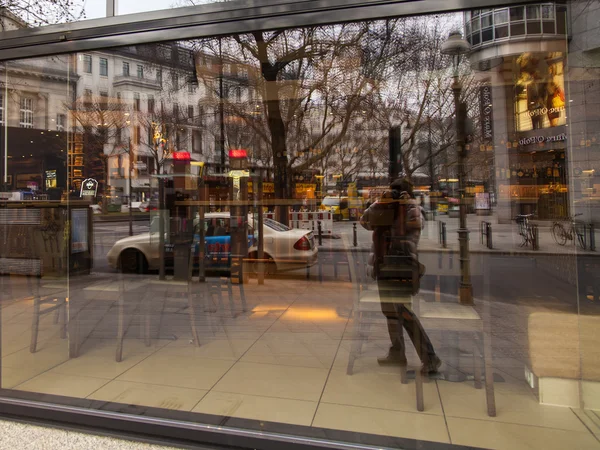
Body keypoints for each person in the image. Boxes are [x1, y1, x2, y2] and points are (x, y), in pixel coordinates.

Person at [360, 178, 441, 374]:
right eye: (393, 192)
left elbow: (413, 227)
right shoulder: (384, 207)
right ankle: (397, 352)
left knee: (404, 312)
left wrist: (404, 204)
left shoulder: (412, 209)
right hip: (384, 265)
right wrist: (380, 202)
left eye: (398, 193)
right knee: (389, 311)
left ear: (408, 194)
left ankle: (430, 357)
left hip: (401, 266)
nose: (395, 196)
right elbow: (364, 221)